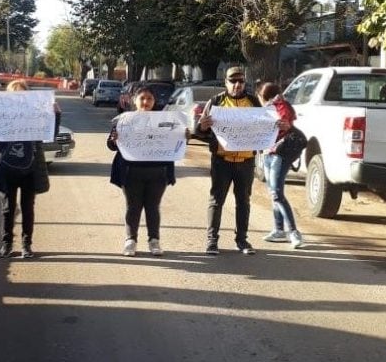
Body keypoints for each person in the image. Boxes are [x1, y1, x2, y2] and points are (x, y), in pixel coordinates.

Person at [0, 79, 59, 259]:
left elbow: (49, 134)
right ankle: (7, 243)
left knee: (27, 207)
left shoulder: (35, 114)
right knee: (8, 208)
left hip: (30, 168)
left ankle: (26, 244)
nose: (18, 98)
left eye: (22, 94)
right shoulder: (2, 115)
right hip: (6, 168)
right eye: (14, 94)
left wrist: (56, 115)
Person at [197, 66, 271, 256]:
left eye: (241, 81)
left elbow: (263, 126)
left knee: (243, 202)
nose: (237, 85)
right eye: (233, 81)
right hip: (222, 160)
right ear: (226, 82)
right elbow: (200, 131)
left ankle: (242, 240)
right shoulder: (216, 101)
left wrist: (276, 126)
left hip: (246, 161)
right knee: (216, 201)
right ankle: (212, 241)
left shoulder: (253, 101)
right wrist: (202, 127)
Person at [107, 84, 182, 257]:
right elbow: (111, 145)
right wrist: (114, 139)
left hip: (158, 172)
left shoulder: (166, 121)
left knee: (153, 207)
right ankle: (130, 241)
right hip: (131, 171)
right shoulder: (124, 120)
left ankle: (154, 241)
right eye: (142, 98)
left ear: (154, 101)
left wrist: (183, 136)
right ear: (135, 100)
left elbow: (176, 141)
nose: (146, 102)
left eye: (149, 98)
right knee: (133, 207)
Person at [259, 82, 304, 248]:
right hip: (268, 153)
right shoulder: (269, 107)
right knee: (273, 193)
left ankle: (293, 231)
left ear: (263, 95)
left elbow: (286, 122)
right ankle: (279, 230)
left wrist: (284, 124)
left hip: (279, 152)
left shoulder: (281, 106)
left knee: (276, 193)